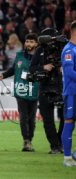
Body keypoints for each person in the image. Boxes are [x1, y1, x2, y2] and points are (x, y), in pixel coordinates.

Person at [0, 33, 39, 151]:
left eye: (31, 42)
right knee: (23, 117)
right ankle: (26, 141)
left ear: (36, 44)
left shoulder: (41, 57)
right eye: (27, 41)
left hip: (33, 91)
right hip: (20, 90)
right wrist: (3, 75)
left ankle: (30, 140)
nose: (28, 44)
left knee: (32, 119)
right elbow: (13, 69)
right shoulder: (19, 55)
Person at [29, 28, 64, 154]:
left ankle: (61, 142)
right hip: (44, 87)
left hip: (61, 87)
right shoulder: (39, 50)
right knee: (47, 120)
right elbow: (31, 69)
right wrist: (43, 67)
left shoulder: (63, 48)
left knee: (66, 117)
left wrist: (63, 67)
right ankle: (54, 146)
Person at [61, 20, 76, 167]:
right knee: (69, 123)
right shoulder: (68, 50)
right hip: (71, 93)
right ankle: (67, 158)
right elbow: (70, 72)